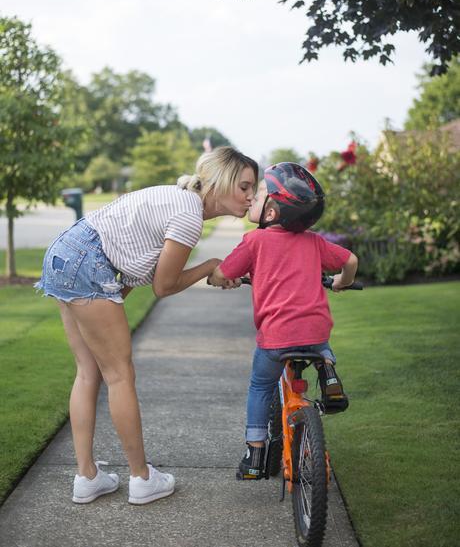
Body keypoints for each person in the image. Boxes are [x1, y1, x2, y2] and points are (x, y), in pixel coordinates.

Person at [35, 146, 258, 503]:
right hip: (87, 262)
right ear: (219, 181)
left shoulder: (180, 201)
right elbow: (164, 285)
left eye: (253, 188)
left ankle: (87, 477)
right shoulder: (189, 215)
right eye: (244, 186)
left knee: (88, 370)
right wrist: (211, 265)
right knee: (120, 374)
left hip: (66, 254)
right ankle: (141, 479)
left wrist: (212, 269)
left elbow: (139, 272)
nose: (251, 196)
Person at [208, 162, 358, 480]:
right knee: (316, 334)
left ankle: (255, 455)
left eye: (260, 192)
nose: (253, 198)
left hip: (276, 339)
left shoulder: (254, 242)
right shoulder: (315, 243)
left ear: (273, 212)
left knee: (260, 386)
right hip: (315, 333)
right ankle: (328, 374)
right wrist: (342, 281)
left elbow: (223, 273)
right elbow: (350, 260)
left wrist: (222, 278)